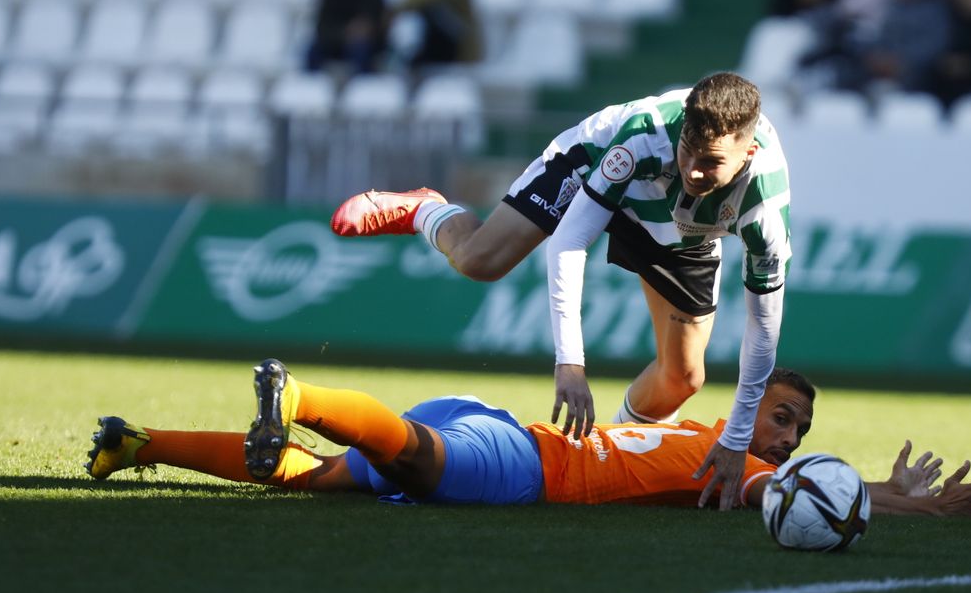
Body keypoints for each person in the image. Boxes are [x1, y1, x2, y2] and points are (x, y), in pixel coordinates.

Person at [330, 72, 791, 512]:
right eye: (688, 148)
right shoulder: (640, 138)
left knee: (683, 379)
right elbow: (571, 240)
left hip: (684, 229)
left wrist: (735, 439)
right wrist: (570, 363)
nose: (692, 169)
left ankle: (620, 441)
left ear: (747, 154)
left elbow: (764, 325)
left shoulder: (765, 207)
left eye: (711, 161)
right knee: (479, 261)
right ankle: (426, 210)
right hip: (595, 166)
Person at [85, 360, 971, 520]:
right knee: (414, 457)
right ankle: (303, 392)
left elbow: (806, 488)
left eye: (801, 428)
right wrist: (912, 503)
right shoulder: (727, 461)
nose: (792, 435)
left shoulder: (720, 453)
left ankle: (139, 444)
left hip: (497, 422)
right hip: (524, 461)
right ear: (749, 406)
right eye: (782, 415)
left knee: (324, 481)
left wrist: (896, 498)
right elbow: (811, 495)